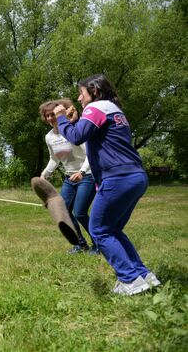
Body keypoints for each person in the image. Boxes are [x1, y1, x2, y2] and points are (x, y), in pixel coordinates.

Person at [54, 74, 160, 296]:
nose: (79, 98)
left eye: (81, 93)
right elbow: (91, 134)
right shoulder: (113, 109)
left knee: (99, 229)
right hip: (135, 175)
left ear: (94, 91)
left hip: (117, 178)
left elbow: (75, 137)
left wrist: (61, 118)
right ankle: (144, 275)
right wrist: (75, 120)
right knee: (112, 229)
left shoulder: (97, 107)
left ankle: (130, 280)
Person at [39, 99, 98, 255]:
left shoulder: (74, 130)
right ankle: (81, 244)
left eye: (53, 114)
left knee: (79, 212)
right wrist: (45, 174)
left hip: (87, 176)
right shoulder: (49, 137)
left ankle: (99, 244)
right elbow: (55, 158)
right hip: (69, 179)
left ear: (62, 113)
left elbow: (90, 154)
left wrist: (82, 172)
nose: (51, 118)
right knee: (63, 211)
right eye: (47, 116)